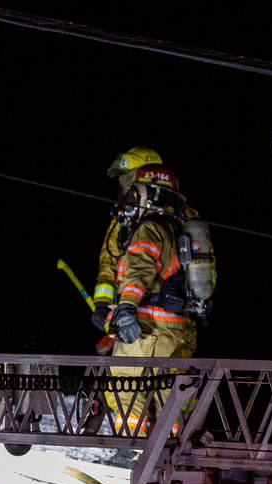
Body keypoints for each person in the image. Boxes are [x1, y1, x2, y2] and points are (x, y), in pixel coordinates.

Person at [90, 147, 213, 436]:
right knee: (172, 399)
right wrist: (103, 306)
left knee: (125, 390)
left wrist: (127, 309)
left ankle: (139, 451)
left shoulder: (147, 227)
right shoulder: (186, 221)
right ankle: (170, 456)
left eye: (130, 184)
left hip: (146, 330)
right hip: (180, 329)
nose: (126, 192)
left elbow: (135, 269)